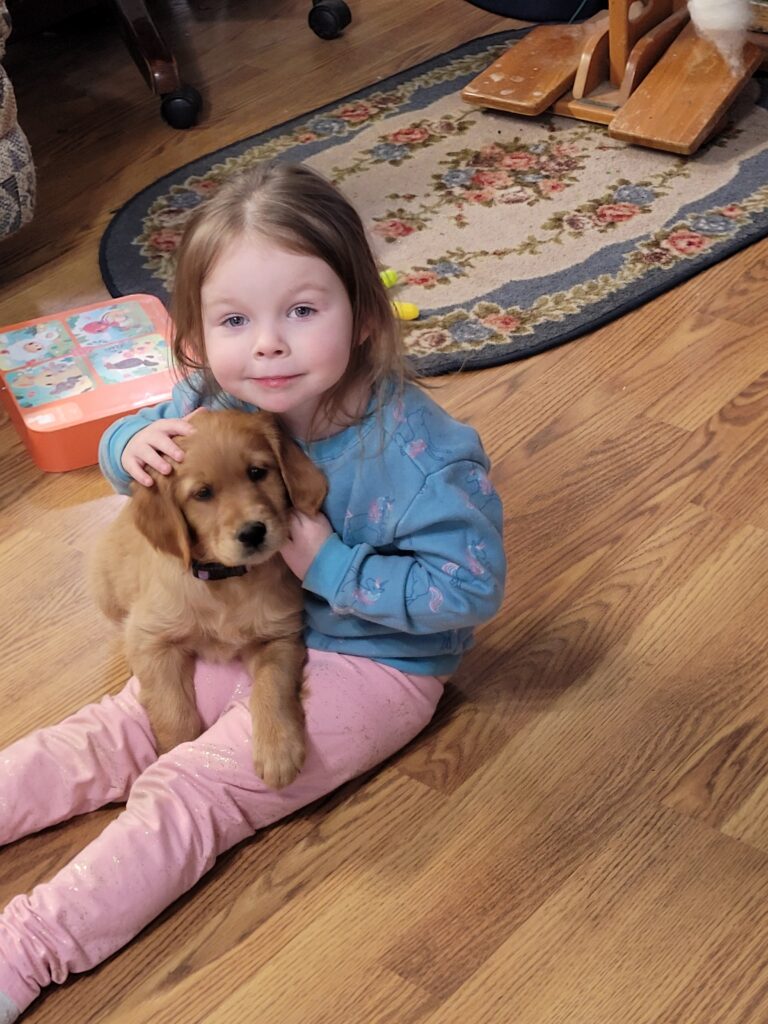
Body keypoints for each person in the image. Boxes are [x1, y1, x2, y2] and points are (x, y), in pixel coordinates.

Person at [0, 162, 505, 1023]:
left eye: (302, 311)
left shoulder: (420, 455)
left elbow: (471, 591)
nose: (267, 344)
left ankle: (24, 952)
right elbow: (143, 441)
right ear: (197, 339)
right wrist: (127, 447)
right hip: (239, 628)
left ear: (364, 313)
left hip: (371, 661)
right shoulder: (212, 396)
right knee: (115, 731)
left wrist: (331, 565)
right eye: (235, 320)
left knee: (193, 788)